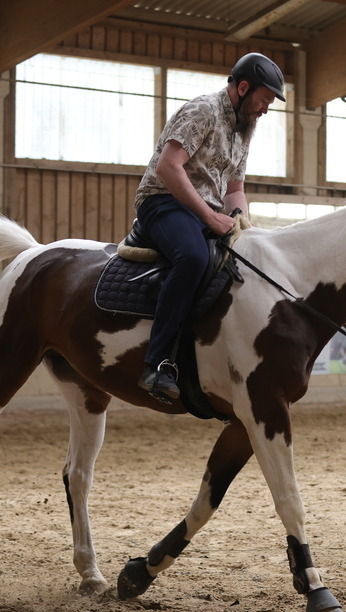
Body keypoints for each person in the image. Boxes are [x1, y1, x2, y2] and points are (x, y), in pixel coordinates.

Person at [133, 53, 285, 402]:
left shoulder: (246, 124)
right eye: (264, 100)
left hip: (207, 209)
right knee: (192, 258)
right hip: (163, 201)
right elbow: (168, 168)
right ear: (244, 88)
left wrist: (242, 222)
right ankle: (156, 364)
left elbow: (235, 189)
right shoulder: (202, 111)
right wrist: (210, 217)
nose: (265, 109)